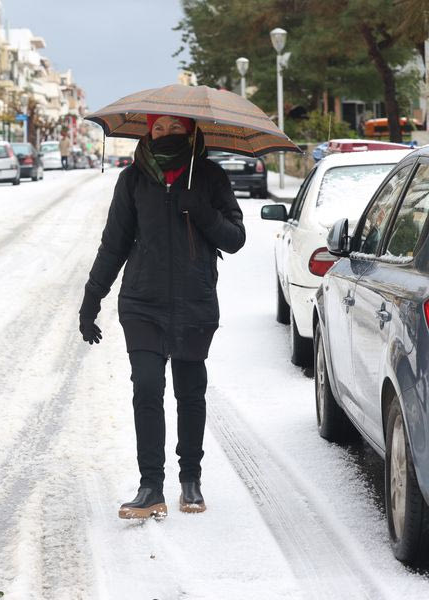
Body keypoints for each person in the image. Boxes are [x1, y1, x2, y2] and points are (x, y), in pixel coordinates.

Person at [78, 114, 246, 519]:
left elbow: (236, 238)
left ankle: (190, 479)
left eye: (174, 128)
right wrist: (91, 299)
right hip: (142, 302)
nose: (166, 134)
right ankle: (151, 485)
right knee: (147, 388)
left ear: (191, 132)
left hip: (194, 301)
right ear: (147, 133)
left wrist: (202, 211)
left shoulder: (209, 177)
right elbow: (113, 243)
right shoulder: (133, 180)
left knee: (190, 391)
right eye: (158, 128)